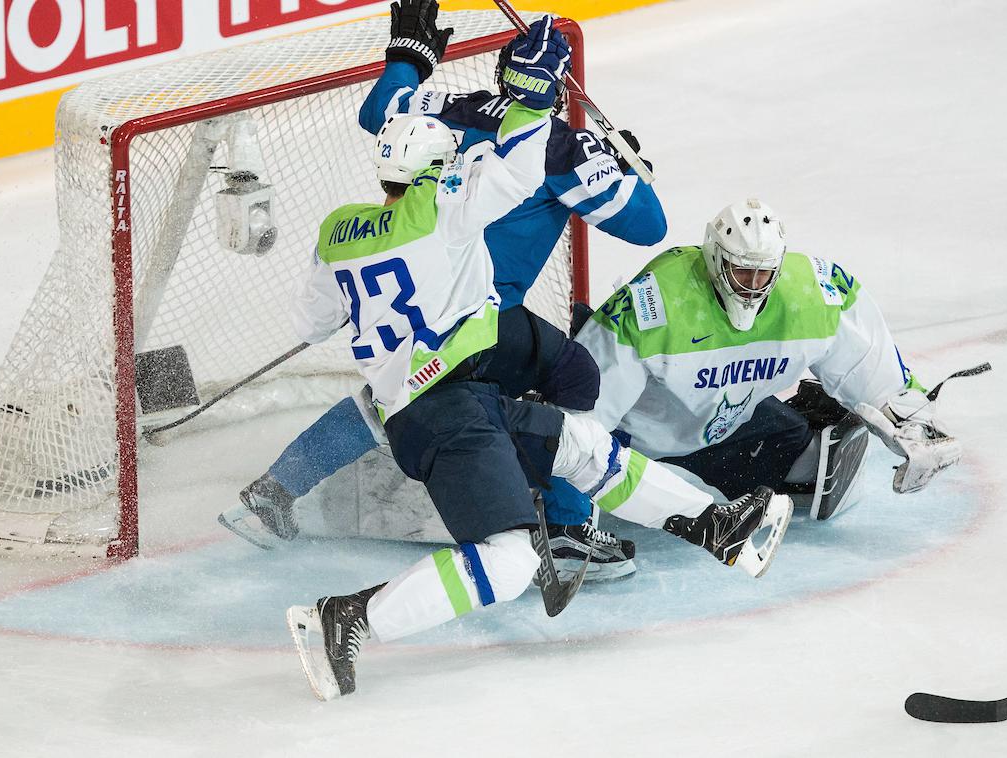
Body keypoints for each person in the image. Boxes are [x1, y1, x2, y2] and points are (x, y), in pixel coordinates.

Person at [282, 21, 791, 701]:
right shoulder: (447, 210)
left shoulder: (338, 230)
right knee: (510, 560)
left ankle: (713, 525)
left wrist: (409, 61)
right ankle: (344, 618)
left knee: (583, 445)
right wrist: (542, 105)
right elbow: (547, 180)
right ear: (433, 171)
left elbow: (313, 321)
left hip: (448, 390)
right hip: (441, 409)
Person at [220, 0, 666, 580]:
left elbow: (380, 111)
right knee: (574, 375)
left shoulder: (453, 109)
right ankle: (567, 528)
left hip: (405, 299)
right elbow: (649, 225)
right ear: (554, 88)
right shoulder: (560, 147)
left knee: (400, 391)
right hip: (478, 313)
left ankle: (276, 488)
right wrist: (617, 165)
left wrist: (410, 57)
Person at [543, 197, 962, 527]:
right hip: (636, 440)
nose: (752, 287)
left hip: (723, 422)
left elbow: (866, 356)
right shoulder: (656, 305)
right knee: (587, 463)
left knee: (802, 449)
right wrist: (569, 517)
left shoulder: (813, 292)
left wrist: (909, 418)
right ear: (715, 258)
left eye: (764, 275)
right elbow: (583, 410)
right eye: (742, 273)